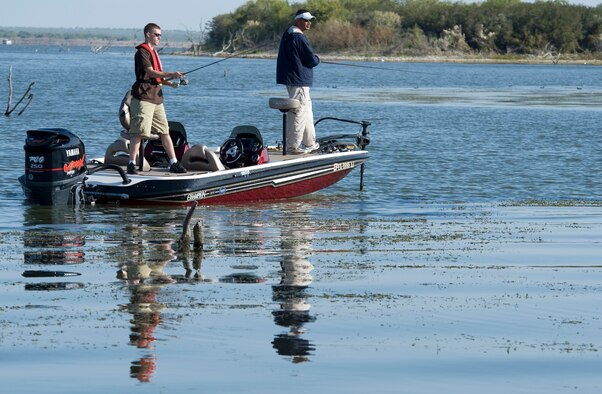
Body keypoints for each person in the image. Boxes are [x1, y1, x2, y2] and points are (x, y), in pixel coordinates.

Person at [127, 22, 187, 174]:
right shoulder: (142, 52)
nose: (159, 37)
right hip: (144, 98)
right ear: (148, 34)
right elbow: (151, 72)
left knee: (165, 131)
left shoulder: (154, 52)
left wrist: (169, 83)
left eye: (160, 35)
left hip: (157, 99)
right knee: (138, 132)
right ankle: (131, 164)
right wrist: (172, 74)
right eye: (157, 34)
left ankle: (173, 162)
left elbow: (156, 78)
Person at [276, 9, 320, 155]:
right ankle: (292, 146)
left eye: (309, 20)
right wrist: (317, 59)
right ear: (298, 20)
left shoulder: (288, 34)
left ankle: (310, 143)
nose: (309, 23)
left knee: (306, 110)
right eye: (306, 20)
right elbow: (311, 60)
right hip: (298, 81)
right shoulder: (299, 38)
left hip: (295, 80)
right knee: (299, 111)